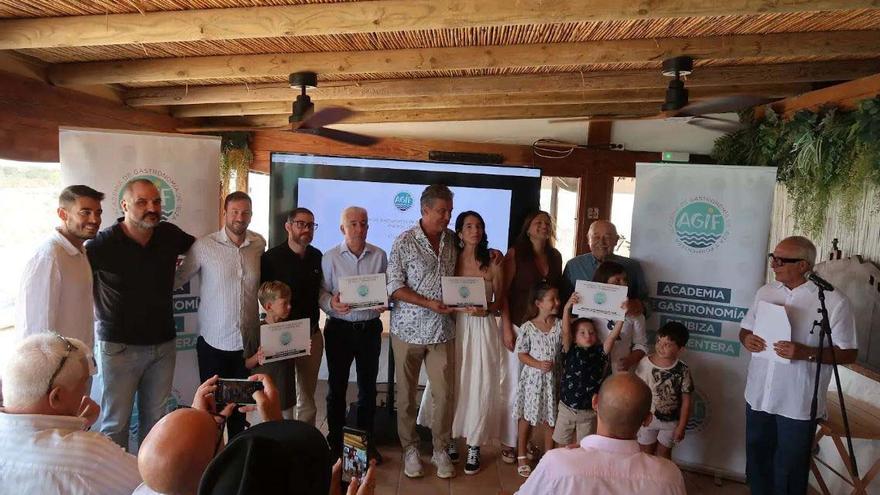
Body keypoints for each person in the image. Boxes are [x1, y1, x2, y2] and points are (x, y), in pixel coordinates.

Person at [739, 236, 857, 495]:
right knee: (757, 460)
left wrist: (807, 353)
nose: (774, 264)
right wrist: (747, 339)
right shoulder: (766, 292)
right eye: (773, 258)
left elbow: (849, 353)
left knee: (790, 469)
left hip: (798, 402)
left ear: (803, 265)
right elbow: (745, 329)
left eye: (781, 260)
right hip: (759, 395)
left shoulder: (833, 301)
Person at [87, 178, 195, 450]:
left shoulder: (169, 235)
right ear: (124, 205)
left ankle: (148, 476)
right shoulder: (103, 244)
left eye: (156, 201)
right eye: (142, 202)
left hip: (163, 347)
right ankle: (116, 477)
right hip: (119, 348)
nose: (152, 208)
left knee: (157, 424)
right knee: (115, 425)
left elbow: (203, 249)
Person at [416, 210, 505, 475]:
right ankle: (451, 438)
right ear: (459, 232)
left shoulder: (493, 261)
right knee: (451, 381)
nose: (474, 230)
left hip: (482, 328)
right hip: (453, 326)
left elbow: (500, 301)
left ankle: (475, 444)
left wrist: (486, 310)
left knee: (478, 383)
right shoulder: (449, 258)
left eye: (479, 226)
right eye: (468, 226)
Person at [0, 334, 142, 494]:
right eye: (84, 383)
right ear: (56, 397)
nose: (86, 392)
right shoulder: (90, 455)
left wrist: (78, 426)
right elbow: (151, 484)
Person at [174, 191, 265, 437]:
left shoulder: (258, 244)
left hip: (245, 345)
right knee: (211, 411)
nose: (240, 217)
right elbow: (178, 279)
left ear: (251, 215)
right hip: (213, 344)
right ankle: (210, 453)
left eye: (245, 212)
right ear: (224, 213)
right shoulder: (204, 246)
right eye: (234, 212)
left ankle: (235, 452)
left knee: (239, 411)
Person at [386, 184, 457, 479]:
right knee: (405, 396)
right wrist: (428, 302)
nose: (447, 217)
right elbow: (394, 286)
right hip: (407, 331)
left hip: (442, 331)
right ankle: (410, 449)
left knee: (444, 394)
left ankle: (440, 449)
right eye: (442, 211)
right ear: (424, 210)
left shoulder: (453, 240)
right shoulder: (404, 241)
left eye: (450, 211)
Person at [515, 373, 687, 495]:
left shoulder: (557, 464)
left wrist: (569, 457)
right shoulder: (669, 476)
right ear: (647, 420)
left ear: (595, 402)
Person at [134, 373, 282, 495]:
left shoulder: (148, 488)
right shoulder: (256, 484)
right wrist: (274, 423)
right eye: (217, 428)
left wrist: (198, 417)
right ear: (215, 466)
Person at [319, 206, 388, 462]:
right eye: (354, 224)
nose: (360, 229)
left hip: (369, 329)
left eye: (364, 223)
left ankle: (365, 444)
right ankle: (336, 443)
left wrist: (384, 301)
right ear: (342, 228)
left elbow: (386, 288)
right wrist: (331, 303)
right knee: (336, 388)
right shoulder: (329, 257)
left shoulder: (380, 255)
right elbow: (322, 292)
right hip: (339, 330)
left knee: (368, 389)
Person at [500, 210, 563, 464]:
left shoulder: (555, 256)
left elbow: (558, 291)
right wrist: (506, 327)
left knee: (539, 389)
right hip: (519, 327)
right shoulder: (515, 254)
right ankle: (510, 442)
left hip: (546, 329)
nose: (543, 226)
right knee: (516, 388)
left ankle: (528, 444)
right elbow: (503, 292)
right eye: (538, 222)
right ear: (527, 228)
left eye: (547, 223)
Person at [16, 185, 103, 347]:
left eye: (98, 213)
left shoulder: (80, 251)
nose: (95, 220)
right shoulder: (49, 257)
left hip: (80, 357)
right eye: (85, 212)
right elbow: (36, 328)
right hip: (56, 361)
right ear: (63, 214)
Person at [261, 207, 324, 426]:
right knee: (280, 395)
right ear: (288, 226)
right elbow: (264, 298)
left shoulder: (317, 256)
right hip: (280, 337)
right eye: (301, 224)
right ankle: (281, 438)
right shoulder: (270, 258)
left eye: (311, 225)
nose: (306, 229)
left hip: (311, 336)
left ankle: (305, 439)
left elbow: (321, 292)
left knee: (307, 397)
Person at [553, 293, 623, 447]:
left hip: (588, 412)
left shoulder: (600, 352)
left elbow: (612, 337)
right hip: (566, 408)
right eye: (582, 333)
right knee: (561, 444)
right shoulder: (570, 349)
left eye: (591, 332)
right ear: (574, 337)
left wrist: (621, 317)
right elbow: (566, 332)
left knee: (585, 446)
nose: (588, 336)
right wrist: (566, 308)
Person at [513, 281, 563, 478]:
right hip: (533, 382)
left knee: (552, 419)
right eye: (552, 299)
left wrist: (568, 310)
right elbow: (521, 354)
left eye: (558, 298)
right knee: (527, 417)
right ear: (539, 303)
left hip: (553, 381)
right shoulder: (528, 327)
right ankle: (521, 454)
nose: (557, 302)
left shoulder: (560, 325)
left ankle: (549, 457)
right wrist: (538, 364)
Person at [561, 219, 648, 314]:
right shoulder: (574, 265)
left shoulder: (632, 266)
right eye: (596, 237)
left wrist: (637, 306)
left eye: (607, 237)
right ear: (588, 239)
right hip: (580, 322)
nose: (601, 242)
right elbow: (562, 300)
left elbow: (647, 303)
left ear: (616, 240)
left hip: (621, 322)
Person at [635, 321, 693, 459]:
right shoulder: (644, 363)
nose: (660, 346)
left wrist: (681, 426)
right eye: (659, 341)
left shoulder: (683, 369)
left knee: (664, 455)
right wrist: (637, 417)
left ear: (680, 349)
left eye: (667, 344)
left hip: (671, 423)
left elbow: (687, 401)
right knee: (645, 455)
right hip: (646, 420)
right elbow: (637, 393)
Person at [244, 281, 297, 420]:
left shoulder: (291, 329)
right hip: (262, 396)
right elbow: (247, 363)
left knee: (286, 429)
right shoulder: (256, 331)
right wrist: (257, 357)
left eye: (289, 302)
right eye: (284, 303)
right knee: (262, 428)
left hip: (286, 394)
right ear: (268, 306)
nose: (289, 306)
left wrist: (302, 347)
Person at [590, 261, 648, 372]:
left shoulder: (634, 312)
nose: (623, 284)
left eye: (625, 280)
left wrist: (630, 360)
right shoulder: (588, 309)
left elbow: (641, 345)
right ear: (603, 282)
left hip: (620, 372)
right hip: (591, 370)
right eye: (617, 280)